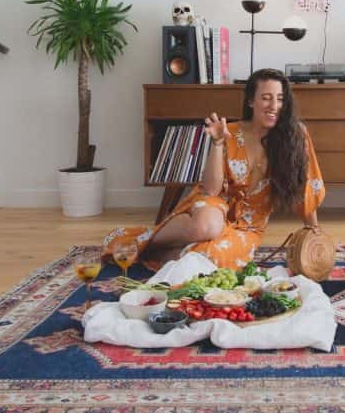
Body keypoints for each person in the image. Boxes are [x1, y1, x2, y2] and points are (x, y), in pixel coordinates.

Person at [102, 68, 325, 270]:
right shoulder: (230, 131)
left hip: (248, 227)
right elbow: (211, 189)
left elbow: (306, 186)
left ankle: (153, 252)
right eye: (266, 98)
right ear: (250, 101)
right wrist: (217, 144)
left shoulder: (295, 136)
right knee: (206, 227)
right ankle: (141, 240)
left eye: (280, 99)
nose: (274, 106)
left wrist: (315, 232)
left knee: (208, 259)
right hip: (214, 205)